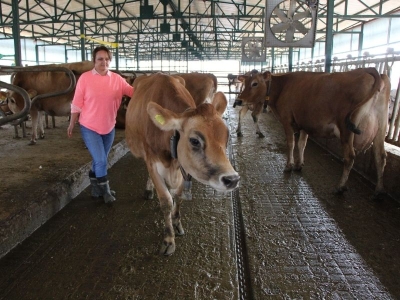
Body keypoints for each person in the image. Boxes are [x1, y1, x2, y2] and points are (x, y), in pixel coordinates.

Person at [67, 45, 134, 204]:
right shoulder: (85, 78)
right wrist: (71, 124)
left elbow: (133, 92)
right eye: (100, 59)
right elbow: (76, 103)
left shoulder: (117, 79)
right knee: (102, 160)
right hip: (89, 127)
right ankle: (106, 191)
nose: (103, 62)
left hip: (109, 127)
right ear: (94, 61)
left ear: (110, 60)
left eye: (106, 59)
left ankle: (96, 188)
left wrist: (149, 90)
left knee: (100, 159)